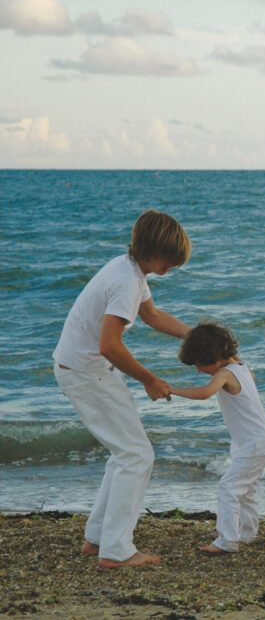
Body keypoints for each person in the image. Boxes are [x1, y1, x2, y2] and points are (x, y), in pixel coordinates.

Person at [52, 210, 191, 568]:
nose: (173, 266)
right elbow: (109, 345)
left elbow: (153, 316)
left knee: (125, 453)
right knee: (137, 455)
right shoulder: (126, 282)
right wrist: (150, 379)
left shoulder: (129, 269)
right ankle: (117, 550)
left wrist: (197, 334)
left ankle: (98, 539)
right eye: (169, 259)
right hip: (86, 371)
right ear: (151, 249)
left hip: (84, 367)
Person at [169, 322, 265, 554]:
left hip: (253, 442)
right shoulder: (241, 367)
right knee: (246, 490)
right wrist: (229, 354)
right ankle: (247, 534)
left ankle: (227, 541)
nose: (199, 370)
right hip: (258, 440)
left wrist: (170, 389)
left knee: (228, 488)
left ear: (215, 356)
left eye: (201, 364)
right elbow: (243, 371)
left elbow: (204, 393)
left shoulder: (225, 373)